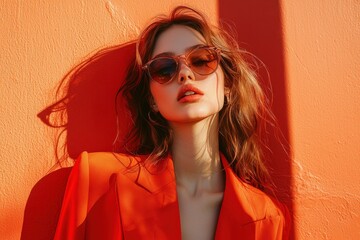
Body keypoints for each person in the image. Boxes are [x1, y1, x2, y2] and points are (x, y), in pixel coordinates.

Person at [54, 6, 290, 240]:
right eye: (164, 68)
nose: (185, 74)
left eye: (201, 60)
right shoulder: (98, 180)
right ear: (152, 99)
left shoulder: (265, 217)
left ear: (227, 85)